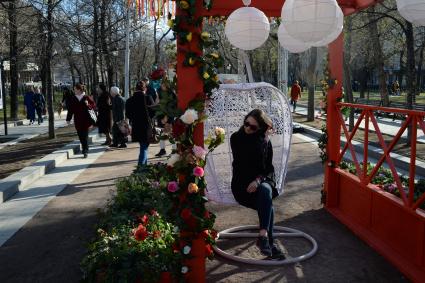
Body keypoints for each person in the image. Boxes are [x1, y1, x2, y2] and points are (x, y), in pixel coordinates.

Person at [230, 109, 285, 259]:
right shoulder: (236, 138)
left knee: (265, 190)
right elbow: (243, 165)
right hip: (242, 187)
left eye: (253, 127)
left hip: (259, 184)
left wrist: (258, 180)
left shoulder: (265, 142)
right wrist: (261, 141)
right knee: (267, 203)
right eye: (246, 123)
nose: (247, 128)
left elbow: (268, 169)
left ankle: (263, 236)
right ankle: (270, 244)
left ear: (260, 128)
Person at [126, 81, 154, 167]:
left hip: (136, 126)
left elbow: (128, 114)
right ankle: (141, 167)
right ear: (145, 89)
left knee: (143, 146)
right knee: (144, 147)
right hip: (146, 126)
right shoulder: (148, 98)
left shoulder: (129, 100)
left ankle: (144, 167)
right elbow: (153, 112)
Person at [66, 83, 96, 158]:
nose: (74, 90)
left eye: (75, 89)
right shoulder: (73, 98)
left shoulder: (86, 97)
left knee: (85, 135)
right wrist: (68, 119)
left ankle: (85, 150)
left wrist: (88, 104)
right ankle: (85, 147)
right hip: (77, 120)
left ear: (79, 90)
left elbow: (93, 105)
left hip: (86, 120)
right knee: (80, 136)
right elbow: (70, 109)